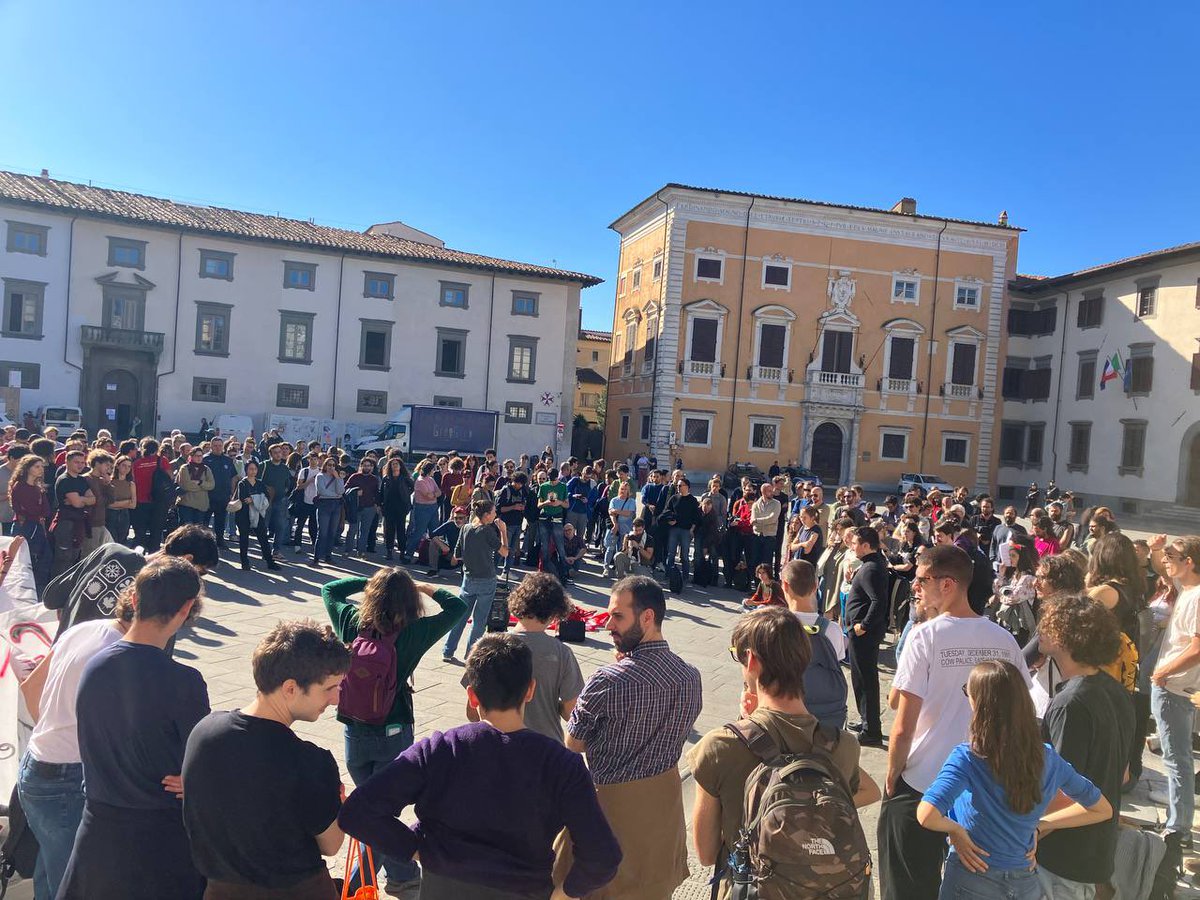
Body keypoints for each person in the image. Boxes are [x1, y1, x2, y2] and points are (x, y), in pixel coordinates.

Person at [340, 633, 622, 900]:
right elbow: (603, 855)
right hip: (525, 889)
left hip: (444, 888)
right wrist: (566, 892)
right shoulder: (562, 765)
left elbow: (358, 812)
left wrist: (416, 847)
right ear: (530, 690)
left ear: (472, 696)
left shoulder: (440, 748)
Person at [690, 607, 879, 897]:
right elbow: (870, 791)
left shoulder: (720, 746)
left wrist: (747, 725)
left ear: (751, 660)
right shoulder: (844, 746)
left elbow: (705, 853)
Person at [880, 545, 1029, 900]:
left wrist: (891, 778)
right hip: (982, 787)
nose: (915, 586)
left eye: (921, 579)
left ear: (947, 584)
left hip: (922, 781)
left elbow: (903, 721)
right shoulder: (1003, 639)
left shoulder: (926, 635)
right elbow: (1023, 712)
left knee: (905, 884)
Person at [58, 557, 211, 900]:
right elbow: (200, 761)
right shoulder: (184, 683)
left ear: (135, 600)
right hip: (160, 843)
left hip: (98, 835)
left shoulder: (95, 664)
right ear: (186, 609)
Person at [182, 621, 349, 900]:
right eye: (330, 688)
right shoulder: (310, 761)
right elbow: (331, 845)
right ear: (291, 688)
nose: (336, 699)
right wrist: (339, 805)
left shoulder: (204, 733)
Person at [917, 659, 1111, 900]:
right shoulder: (1047, 758)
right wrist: (1042, 826)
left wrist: (956, 830)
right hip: (1024, 882)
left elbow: (926, 815)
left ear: (979, 703)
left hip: (971, 876)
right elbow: (1102, 810)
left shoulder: (967, 758)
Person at [324, 568, 467, 894]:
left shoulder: (349, 622)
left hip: (354, 733)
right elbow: (458, 608)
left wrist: (369, 583)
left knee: (374, 811)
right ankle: (381, 881)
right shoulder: (414, 631)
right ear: (409, 601)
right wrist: (425, 588)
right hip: (394, 731)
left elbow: (330, 589)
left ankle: (398, 878)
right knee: (378, 814)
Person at [558, 576, 702, 899]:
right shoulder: (691, 677)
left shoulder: (608, 681)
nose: (608, 624)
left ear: (647, 617)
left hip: (612, 815)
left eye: (618, 616)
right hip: (664, 814)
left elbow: (573, 743)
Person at [1034, 595, 1135, 897]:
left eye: (1048, 623)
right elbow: (1124, 774)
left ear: (1066, 637)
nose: (1040, 628)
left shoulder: (1071, 703)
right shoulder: (1116, 692)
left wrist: (1029, 834)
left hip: (1060, 857)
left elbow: (1063, 790)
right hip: (1094, 850)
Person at [464, 572, 584, 744]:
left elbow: (472, 713)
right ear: (555, 612)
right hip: (545, 747)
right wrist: (549, 703)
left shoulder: (487, 646)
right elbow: (571, 711)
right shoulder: (562, 654)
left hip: (495, 745)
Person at [44, 523, 219, 640]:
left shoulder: (110, 551)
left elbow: (51, 597)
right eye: (200, 572)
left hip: (58, 661)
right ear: (187, 559)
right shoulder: (161, 595)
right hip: (97, 682)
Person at [1149, 535, 1200, 851]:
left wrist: (1163, 672)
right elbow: (1162, 568)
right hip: (1173, 685)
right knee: (1174, 756)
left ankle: (1178, 827)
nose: (1167, 561)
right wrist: (1157, 550)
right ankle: (1176, 818)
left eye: (1173, 556)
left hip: (1173, 686)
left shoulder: (1196, 596)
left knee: (1176, 758)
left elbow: (1197, 646)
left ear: (1190, 562)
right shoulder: (1189, 589)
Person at [780, 559, 850, 729]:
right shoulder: (832, 630)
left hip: (785, 710)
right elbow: (838, 658)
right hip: (823, 716)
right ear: (815, 586)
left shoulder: (774, 626)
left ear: (785, 586)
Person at [442, 500, 506, 662]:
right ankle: (470, 655)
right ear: (486, 515)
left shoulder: (465, 528)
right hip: (486, 578)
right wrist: (503, 531)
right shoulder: (488, 531)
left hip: (468, 578)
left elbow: (457, 555)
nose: (495, 514)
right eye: (493, 512)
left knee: (461, 616)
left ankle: (448, 650)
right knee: (479, 621)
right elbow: (504, 552)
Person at [844, 525, 889, 747]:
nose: (852, 546)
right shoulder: (870, 564)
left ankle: (871, 730)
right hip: (861, 632)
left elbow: (878, 601)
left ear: (865, 545)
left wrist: (864, 625)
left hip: (864, 634)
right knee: (861, 678)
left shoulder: (871, 568)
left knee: (865, 679)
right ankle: (866, 722)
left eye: (855, 543)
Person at [50, 449, 95, 578]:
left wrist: (81, 500)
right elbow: (77, 503)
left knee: (74, 557)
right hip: (65, 523)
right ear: (67, 462)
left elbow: (93, 499)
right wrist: (83, 500)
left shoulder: (82, 480)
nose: (80, 465)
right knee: (63, 559)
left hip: (79, 523)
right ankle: (55, 589)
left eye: (82, 462)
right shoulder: (65, 480)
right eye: (76, 462)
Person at [233, 460, 280, 572]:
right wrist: (257, 498)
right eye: (250, 469)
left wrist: (253, 499)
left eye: (254, 469)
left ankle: (270, 562)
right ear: (246, 470)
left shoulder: (260, 483)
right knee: (244, 539)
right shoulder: (242, 483)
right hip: (243, 514)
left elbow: (266, 497)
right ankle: (245, 562)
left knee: (263, 538)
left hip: (258, 514)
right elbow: (244, 498)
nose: (253, 471)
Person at [202, 438, 237, 549]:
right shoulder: (205, 459)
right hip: (208, 495)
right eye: (215, 445)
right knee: (205, 521)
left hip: (223, 496)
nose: (218, 448)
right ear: (211, 446)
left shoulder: (228, 460)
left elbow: (233, 477)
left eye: (220, 445)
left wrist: (232, 492)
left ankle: (220, 540)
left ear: (223, 446)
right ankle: (204, 542)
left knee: (221, 520)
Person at [310, 457, 344, 566]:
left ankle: (328, 556)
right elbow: (322, 491)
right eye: (329, 465)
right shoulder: (320, 476)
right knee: (323, 532)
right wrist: (336, 495)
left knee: (332, 532)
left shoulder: (337, 476)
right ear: (325, 465)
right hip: (324, 505)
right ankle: (316, 557)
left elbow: (341, 491)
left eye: (333, 465)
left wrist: (338, 478)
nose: (331, 467)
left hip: (336, 506)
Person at [405, 461, 441, 560]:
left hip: (433, 507)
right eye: (433, 469)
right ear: (429, 470)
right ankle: (408, 554)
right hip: (422, 509)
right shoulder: (420, 481)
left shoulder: (431, 479)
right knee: (419, 532)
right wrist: (434, 495)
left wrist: (433, 495)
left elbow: (439, 492)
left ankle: (434, 556)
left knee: (435, 532)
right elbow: (428, 496)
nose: (434, 471)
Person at [380, 456, 413, 561]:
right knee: (389, 530)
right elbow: (381, 492)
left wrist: (406, 495)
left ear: (400, 466)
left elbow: (412, 487)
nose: (395, 466)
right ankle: (389, 551)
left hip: (401, 507)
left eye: (396, 464)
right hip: (389, 507)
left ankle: (402, 552)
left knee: (401, 530)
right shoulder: (386, 478)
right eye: (393, 464)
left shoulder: (405, 477)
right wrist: (380, 504)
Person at [602, 480, 637, 575]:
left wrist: (616, 511)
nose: (623, 491)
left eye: (625, 489)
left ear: (628, 491)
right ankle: (606, 567)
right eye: (621, 489)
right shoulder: (614, 500)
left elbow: (628, 513)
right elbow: (611, 513)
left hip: (626, 528)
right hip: (615, 527)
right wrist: (615, 524)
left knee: (622, 548)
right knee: (610, 548)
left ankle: (619, 568)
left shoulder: (631, 501)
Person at [749, 481, 781, 580]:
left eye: (772, 490)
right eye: (769, 491)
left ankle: (768, 586)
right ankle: (758, 586)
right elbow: (752, 520)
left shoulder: (776, 504)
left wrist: (758, 520)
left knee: (767, 563)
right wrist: (761, 521)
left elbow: (772, 518)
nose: (772, 492)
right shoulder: (756, 504)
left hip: (769, 537)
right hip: (757, 536)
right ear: (763, 492)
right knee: (756, 562)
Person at [175, 447, 214, 526]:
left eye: (200, 456)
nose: (199, 458)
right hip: (186, 504)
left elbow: (211, 485)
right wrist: (203, 488)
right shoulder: (185, 468)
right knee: (186, 529)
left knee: (198, 531)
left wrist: (200, 482)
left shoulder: (206, 469)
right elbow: (186, 485)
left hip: (201, 505)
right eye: (196, 456)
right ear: (191, 456)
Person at [424, 505, 466, 577]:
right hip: (450, 553)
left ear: (466, 518)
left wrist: (457, 555)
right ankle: (433, 570)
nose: (458, 520)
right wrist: (443, 547)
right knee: (433, 542)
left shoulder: (469, 527)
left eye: (461, 518)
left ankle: (466, 573)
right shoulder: (450, 524)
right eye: (456, 518)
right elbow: (432, 535)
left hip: (464, 555)